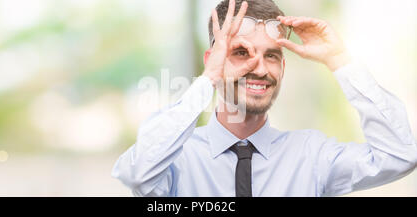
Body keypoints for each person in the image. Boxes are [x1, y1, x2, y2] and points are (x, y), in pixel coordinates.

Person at [112, 0, 417, 197]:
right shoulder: (177, 157)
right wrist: (208, 80)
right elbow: (139, 175)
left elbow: (401, 156)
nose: (258, 67)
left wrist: (340, 60)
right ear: (213, 61)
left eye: (271, 55)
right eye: (241, 53)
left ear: (282, 67)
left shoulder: (311, 156)